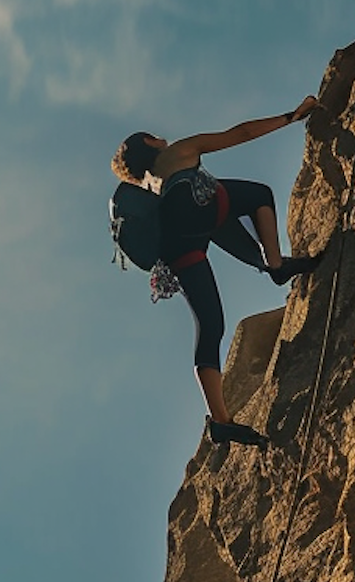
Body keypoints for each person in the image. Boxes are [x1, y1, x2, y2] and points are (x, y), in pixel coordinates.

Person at [111, 96, 321, 448]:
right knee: (258, 194)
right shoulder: (177, 152)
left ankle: (221, 422)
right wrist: (290, 117)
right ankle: (274, 263)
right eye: (154, 135)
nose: (161, 136)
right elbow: (240, 133)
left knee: (210, 326)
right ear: (147, 142)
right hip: (199, 211)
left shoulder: (146, 188)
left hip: (179, 249)